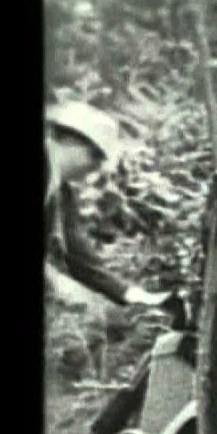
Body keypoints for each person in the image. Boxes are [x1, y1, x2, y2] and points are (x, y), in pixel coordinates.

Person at [45, 100, 173, 308]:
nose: (95, 168)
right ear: (70, 141)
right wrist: (52, 278)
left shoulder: (62, 193)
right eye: (95, 157)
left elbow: (78, 255)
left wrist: (128, 293)